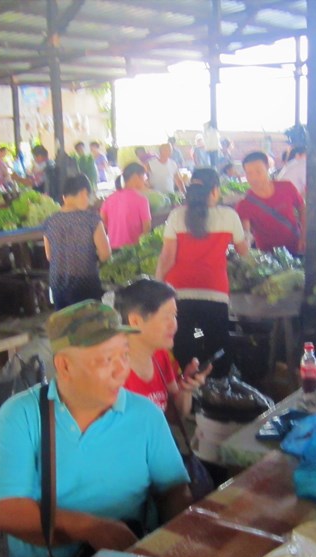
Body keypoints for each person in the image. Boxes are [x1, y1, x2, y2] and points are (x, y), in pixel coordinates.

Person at [0, 300, 192, 557]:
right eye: (107, 359)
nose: (122, 370)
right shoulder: (21, 416)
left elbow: (173, 489)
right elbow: (3, 512)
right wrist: (91, 528)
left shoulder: (146, 416)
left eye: (125, 354)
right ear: (64, 366)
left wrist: (174, 548)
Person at [156, 168, 249, 370]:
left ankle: (188, 391)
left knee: (184, 342)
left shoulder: (176, 216)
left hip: (178, 291)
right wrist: (247, 233)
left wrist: (157, 284)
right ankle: (218, 389)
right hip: (214, 291)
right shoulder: (229, 216)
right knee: (217, 342)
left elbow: (167, 258)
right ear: (215, 190)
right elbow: (243, 252)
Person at [114, 278, 209, 417]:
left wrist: (186, 388)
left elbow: (175, 415)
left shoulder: (161, 356)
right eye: (166, 316)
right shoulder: (111, 371)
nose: (174, 324)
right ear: (135, 321)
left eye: (174, 315)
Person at [44, 175, 110, 308]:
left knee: (65, 324)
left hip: (57, 283)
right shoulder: (91, 219)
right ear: (82, 193)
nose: (88, 200)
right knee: (88, 324)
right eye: (88, 196)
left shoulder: (50, 221)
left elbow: (49, 256)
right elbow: (105, 254)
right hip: (85, 283)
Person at [236, 150, 305, 254]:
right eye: (249, 173)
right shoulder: (244, 204)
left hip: (297, 247)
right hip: (270, 257)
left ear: (267, 168)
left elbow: (303, 209)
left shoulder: (287, 187)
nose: (254, 177)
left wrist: (304, 236)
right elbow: (246, 232)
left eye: (258, 171)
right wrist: (246, 243)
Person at [100, 162, 151, 249]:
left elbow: (102, 223)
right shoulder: (141, 200)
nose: (145, 180)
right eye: (144, 177)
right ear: (135, 177)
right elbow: (147, 227)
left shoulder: (109, 199)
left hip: (113, 248)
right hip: (133, 250)